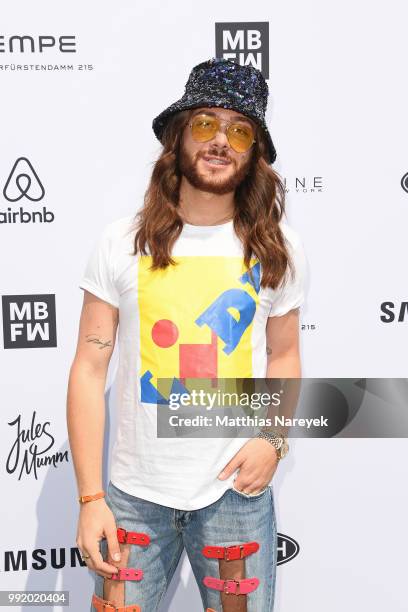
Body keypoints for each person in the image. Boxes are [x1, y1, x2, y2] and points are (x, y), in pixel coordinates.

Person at [67, 57, 307, 612]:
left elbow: (286, 354)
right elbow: (88, 368)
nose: (221, 141)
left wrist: (272, 440)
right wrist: (89, 497)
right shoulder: (120, 242)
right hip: (130, 498)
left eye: (239, 130)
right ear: (178, 136)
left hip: (235, 497)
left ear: (254, 154)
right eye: (206, 123)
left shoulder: (281, 250)